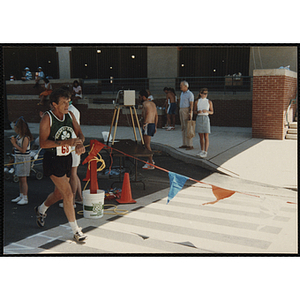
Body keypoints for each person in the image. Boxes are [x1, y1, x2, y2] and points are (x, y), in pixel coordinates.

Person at [34, 88, 87, 242]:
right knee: (68, 194)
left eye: (68, 102)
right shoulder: (47, 118)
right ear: (54, 105)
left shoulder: (70, 115)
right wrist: (65, 142)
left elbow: (80, 135)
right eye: (64, 103)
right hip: (52, 159)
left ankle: (41, 209)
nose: (67, 105)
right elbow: (43, 143)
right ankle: (76, 231)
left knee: (59, 194)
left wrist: (79, 144)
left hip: (66, 158)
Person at [59, 96, 83, 208]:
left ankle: (71, 201)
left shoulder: (70, 112)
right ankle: (79, 197)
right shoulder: (74, 110)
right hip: (74, 143)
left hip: (72, 144)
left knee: (72, 174)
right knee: (74, 173)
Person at [10, 116, 33, 205]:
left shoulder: (25, 138)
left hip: (24, 160)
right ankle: (21, 194)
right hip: (18, 159)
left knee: (23, 179)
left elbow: (23, 150)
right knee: (20, 178)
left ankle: (25, 197)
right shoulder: (19, 137)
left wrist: (14, 144)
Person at [139, 89, 158, 170]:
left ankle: (150, 163)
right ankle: (150, 161)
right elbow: (156, 115)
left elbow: (146, 113)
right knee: (146, 144)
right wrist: (156, 126)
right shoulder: (153, 103)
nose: (139, 98)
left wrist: (144, 123)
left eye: (139, 97)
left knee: (147, 145)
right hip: (152, 124)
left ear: (143, 97)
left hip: (147, 124)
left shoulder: (145, 103)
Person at [194, 88, 214, 158]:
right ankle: (202, 150)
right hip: (199, 118)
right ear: (201, 94)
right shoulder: (197, 101)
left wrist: (207, 111)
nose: (205, 95)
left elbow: (212, 112)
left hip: (205, 118)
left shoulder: (209, 102)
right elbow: (194, 111)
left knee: (206, 136)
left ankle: (205, 151)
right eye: (204, 93)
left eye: (206, 93)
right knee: (201, 136)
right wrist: (197, 112)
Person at [179, 81, 194, 150]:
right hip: (181, 109)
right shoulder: (182, 93)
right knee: (183, 127)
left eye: (181, 85)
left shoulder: (190, 94)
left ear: (186, 86)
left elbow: (191, 104)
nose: (180, 86)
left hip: (186, 110)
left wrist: (190, 112)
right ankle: (184, 143)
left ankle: (190, 145)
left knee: (188, 127)